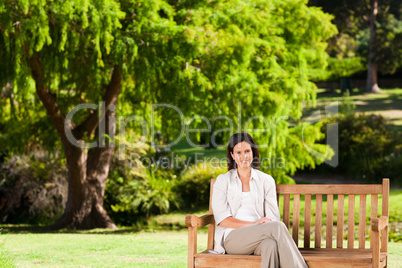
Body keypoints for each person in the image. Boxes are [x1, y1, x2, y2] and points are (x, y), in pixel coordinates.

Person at [212, 133, 308, 268]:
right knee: (278, 226)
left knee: (270, 244)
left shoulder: (266, 180)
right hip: (233, 238)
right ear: (232, 155)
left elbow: (272, 216)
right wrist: (254, 224)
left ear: (253, 152)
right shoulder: (223, 181)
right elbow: (223, 220)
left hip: (261, 234)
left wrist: (260, 226)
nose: (244, 156)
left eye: (247, 151)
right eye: (238, 152)